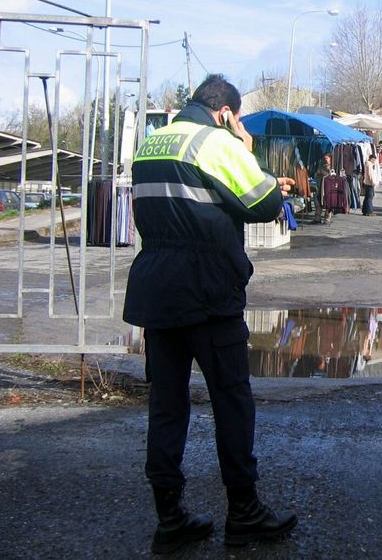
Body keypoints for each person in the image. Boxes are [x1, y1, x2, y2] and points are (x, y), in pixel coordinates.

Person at [125, 74, 297, 554]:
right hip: (207, 293)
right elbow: (263, 203)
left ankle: (170, 517)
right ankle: (244, 512)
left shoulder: (149, 145)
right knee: (231, 401)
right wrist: (246, 149)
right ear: (225, 113)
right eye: (235, 120)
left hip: (157, 291)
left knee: (167, 406)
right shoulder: (215, 142)